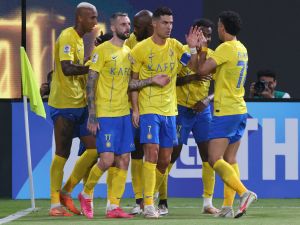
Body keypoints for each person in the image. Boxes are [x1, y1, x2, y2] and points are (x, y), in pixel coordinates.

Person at [129, 6, 200, 218]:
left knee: (164, 160)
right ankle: (148, 204)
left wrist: (194, 49)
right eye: (164, 23)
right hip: (149, 108)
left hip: (170, 111)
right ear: (154, 24)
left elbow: (194, 67)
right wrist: (136, 109)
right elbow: (131, 83)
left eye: (171, 23)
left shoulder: (177, 47)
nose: (169, 27)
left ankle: (147, 198)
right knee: (151, 153)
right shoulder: (140, 49)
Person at [155, 18, 219, 216]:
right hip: (181, 110)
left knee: (209, 157)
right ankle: (156, 199)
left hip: (202, 112)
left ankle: (207, 202)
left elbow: (221, 87)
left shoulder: (214, 57)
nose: (206, 38)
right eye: (202, 34)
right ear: (194, 34)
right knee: (169, 156)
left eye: (209, 35)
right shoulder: (181, 52)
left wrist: (207, 100)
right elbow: (169, 80)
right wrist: (191, 77)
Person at [197, 10, 257, 218]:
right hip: (240, 109)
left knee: (215, 158)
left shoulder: (225, 48)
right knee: (230, 159)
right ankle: (228, 207)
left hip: (226, 111)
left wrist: (202, 47)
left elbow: (202, 71)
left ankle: (244, 193)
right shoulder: (241, 48)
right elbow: (217, 71)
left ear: (222, 28)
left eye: (218, 26)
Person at [77, 12, 135, 219]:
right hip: (105, 114)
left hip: (123, 114)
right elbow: (91, 83)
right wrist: (92, 115)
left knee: (123, 160)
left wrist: (152, 80)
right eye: (123, 24)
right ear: (113, 26)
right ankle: (86, 193)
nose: (127, 27)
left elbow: (129, 84)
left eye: (128, 24)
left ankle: (113, 207)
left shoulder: (129, 53)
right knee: (107, 160)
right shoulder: (101, 51)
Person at [47, 2, 98, 217]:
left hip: (80, 104)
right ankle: (54, 204)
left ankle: (67, 191)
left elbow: (76, 68)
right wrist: (90, 67)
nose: (95, 22)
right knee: (62, 153)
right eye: (92, 18)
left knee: (95, 150)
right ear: (80, 18)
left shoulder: (79, 40)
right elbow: (67, 69)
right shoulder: (68, 36)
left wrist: (92, 56)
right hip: (64, 104)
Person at [59, 31, 114, 213]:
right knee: (93, 153)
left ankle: (82, 196)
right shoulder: (94, 62)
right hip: (92, 113)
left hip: (107, 113)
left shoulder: (107, 59)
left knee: (96, 156)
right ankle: (69, 191)